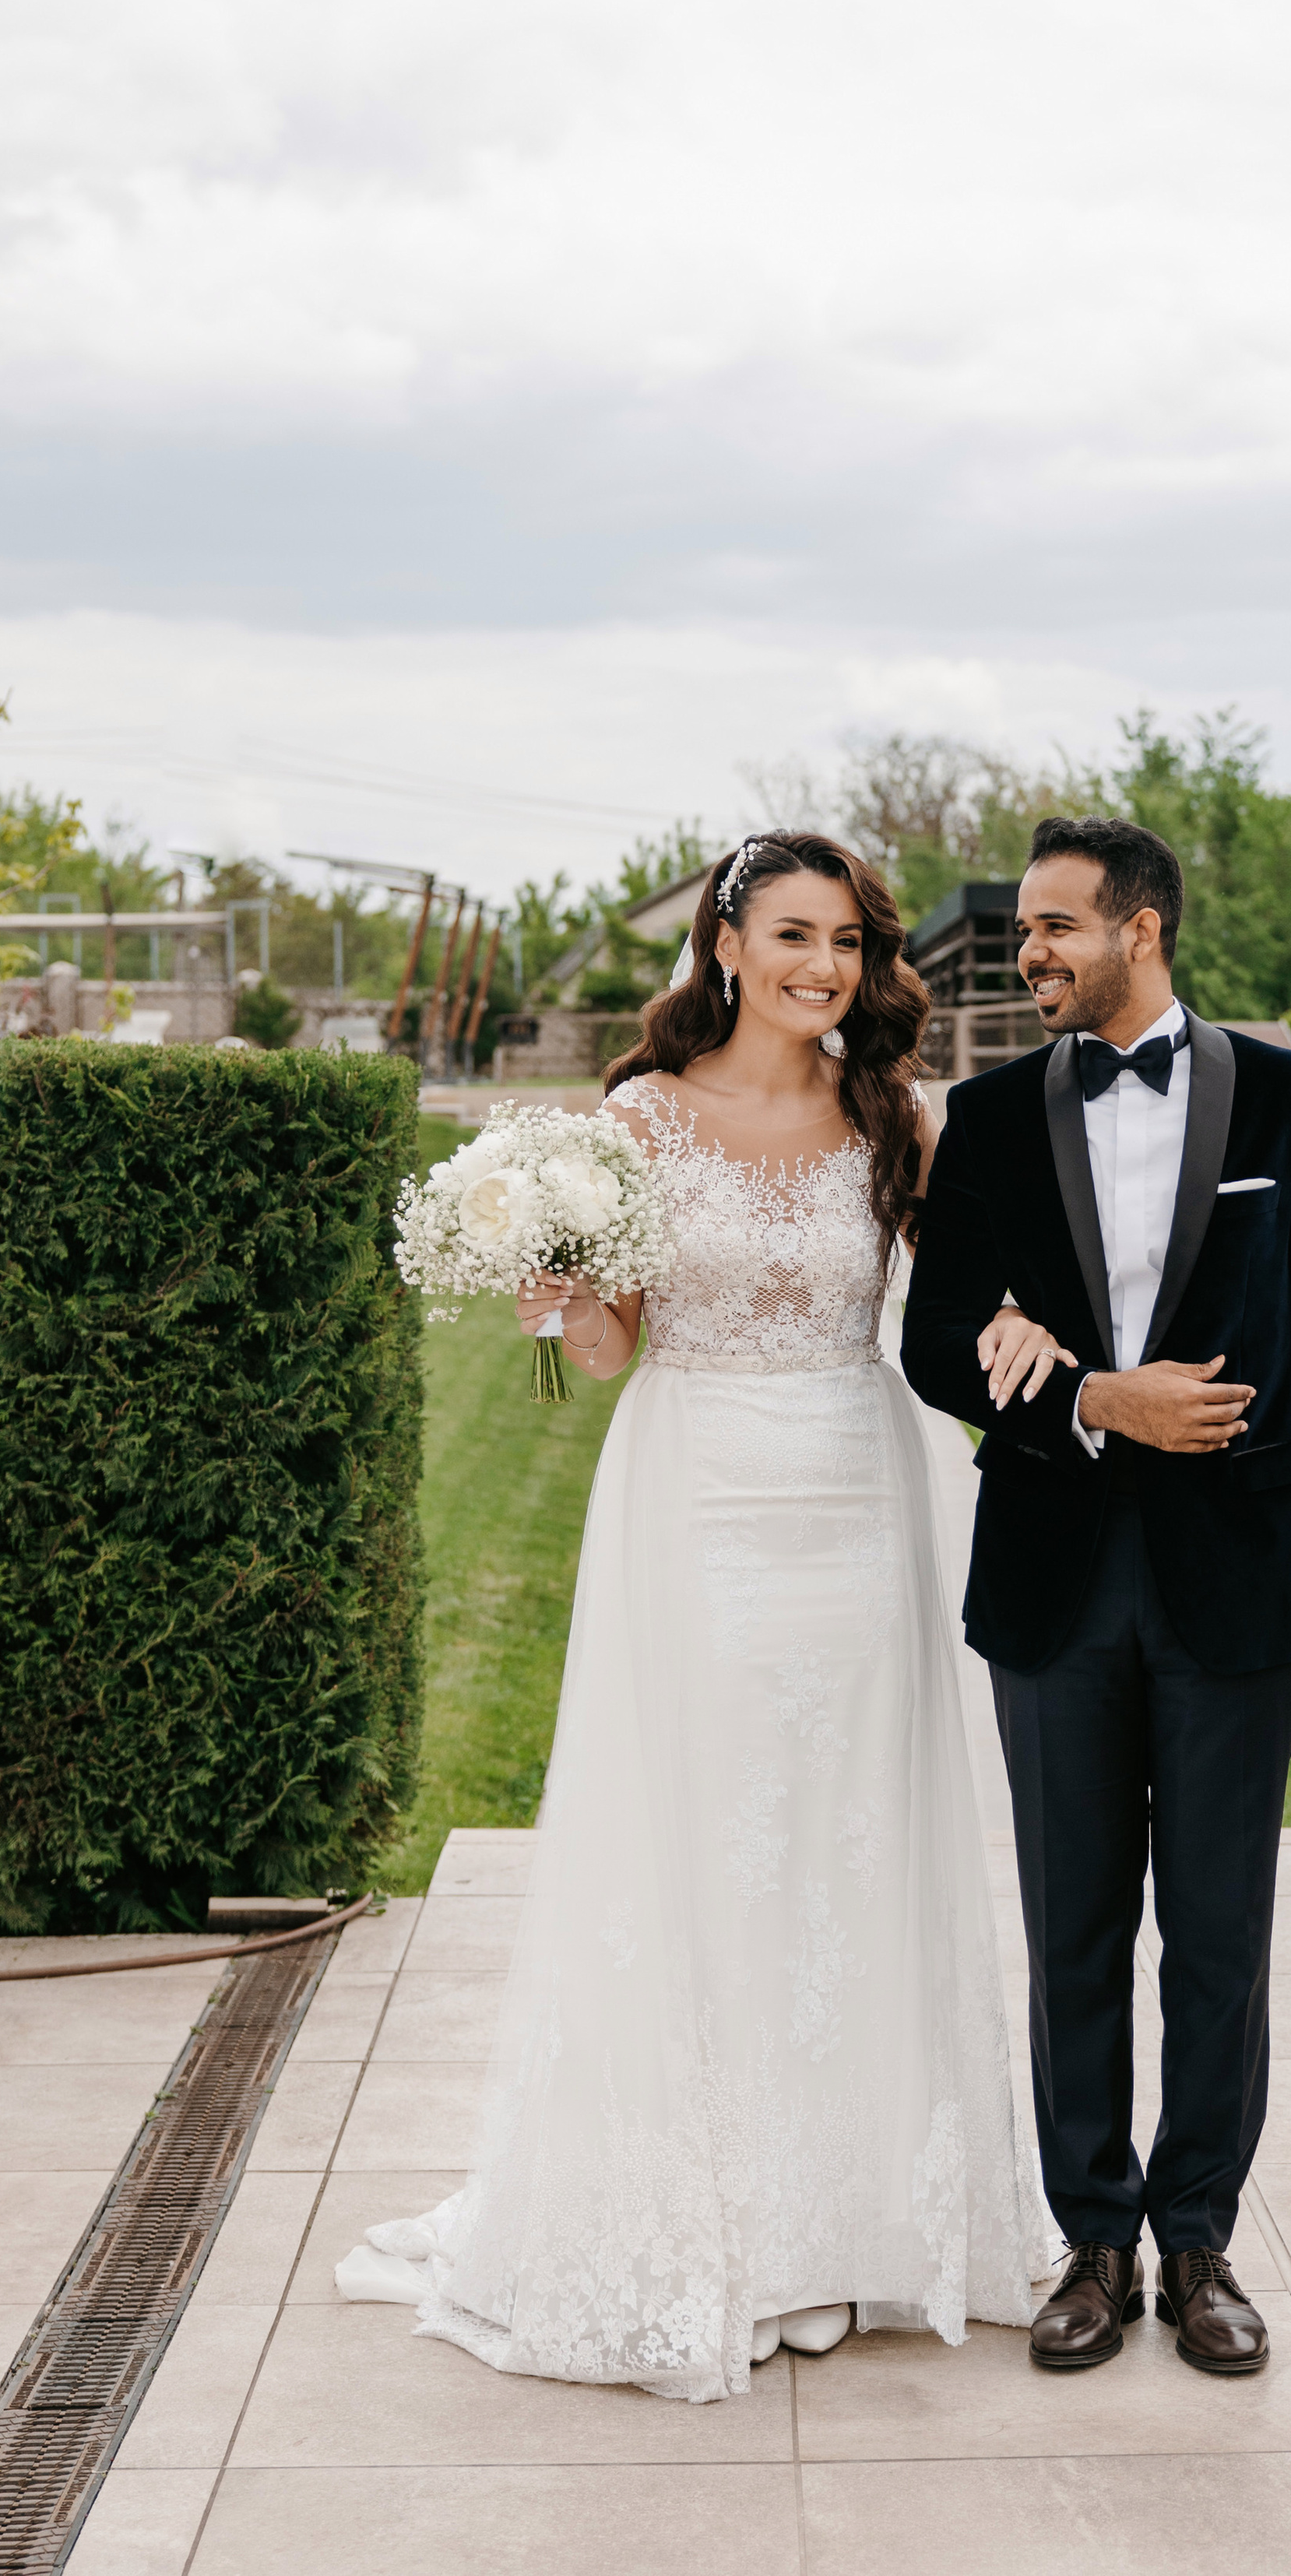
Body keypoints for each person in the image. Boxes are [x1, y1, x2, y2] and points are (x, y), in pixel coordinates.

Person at [340, 832, 1054, 2399]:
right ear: (723, 947)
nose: (824, 966)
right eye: (793, 935)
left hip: (861, 1494)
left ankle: (855, 2215)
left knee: (851, 1829)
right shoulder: (639, 1122)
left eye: (848, 942)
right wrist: (558, 1293)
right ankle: (716, 2218)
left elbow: (964, 1296)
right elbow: (610, 1354)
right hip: (698, 1495)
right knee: (705, 1832)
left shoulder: (896, 1117)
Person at [902, 814, 1291, 2377]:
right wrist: (1093, 1403)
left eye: (1055, 927)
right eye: (1025, 934)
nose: (1029, 954)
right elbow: (936, 1347)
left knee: (1215, 1930)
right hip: (1052, 1580)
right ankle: (1092, 2241)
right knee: (1068, 1925)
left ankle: (1198, 2242)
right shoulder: (984, 1120)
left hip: (1243, 1574)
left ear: (1141, 929)